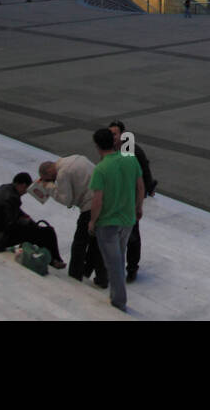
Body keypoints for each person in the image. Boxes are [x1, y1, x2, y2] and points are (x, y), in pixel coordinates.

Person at [88, 128, 144, 311]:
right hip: (127, 220)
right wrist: (138, 207)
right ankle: (115, 295)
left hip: (108, 224)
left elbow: (97, 200)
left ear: (97, 146)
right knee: (118, 259)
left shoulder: (101, 169)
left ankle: (119, 302)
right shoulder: (130, 159)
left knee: (114, 265)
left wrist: (92, 221)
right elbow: (140, 187)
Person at [0, 172, 66, 269]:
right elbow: (11, 223)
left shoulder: (5, 188)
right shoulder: (12, 197)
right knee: (45, 232)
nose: (25, 192)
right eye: (26, 189)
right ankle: (55, 259)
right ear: (22, 185)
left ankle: (54, 259)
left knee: (39, 231)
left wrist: (26, 219)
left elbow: (11, 211)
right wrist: (29, 224)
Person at [36, 155, 104, 284]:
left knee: (80, 242)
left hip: (90, 205)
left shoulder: (62, 173)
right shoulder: (75, 158)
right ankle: (98, 277)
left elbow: (66, 199)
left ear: (50, 172)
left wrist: (49, 187)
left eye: (49, 179)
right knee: (96, 242)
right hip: (104, 199)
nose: (53, 180)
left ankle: (75, 275)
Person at [108, 120, 156, 283]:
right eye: (111, 134)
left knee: (132, 235)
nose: (112, 137)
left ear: (122, 134)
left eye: (114, 133)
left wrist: (146, 193)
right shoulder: (111, 149)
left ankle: (132, 268)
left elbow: (144, 172)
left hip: (131, 199)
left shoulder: (133, 151)